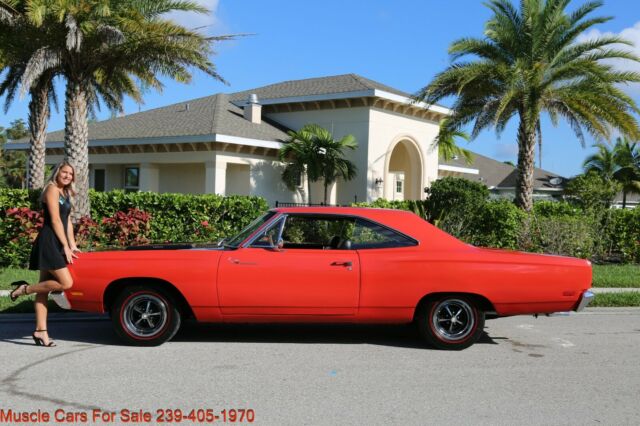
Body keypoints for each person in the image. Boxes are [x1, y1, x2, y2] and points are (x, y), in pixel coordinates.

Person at [9, 162, 80, 347]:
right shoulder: (52, 189)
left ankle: (41, 332)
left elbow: (68, 222)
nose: (67, 176)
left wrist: (72, 244)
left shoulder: (65, 193)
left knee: (44, 289)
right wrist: (64, 245)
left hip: (59, 241)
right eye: (64, 172)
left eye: (70, 174)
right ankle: (24, 289)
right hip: (49, 242)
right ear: (57, 173)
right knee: (66, 283)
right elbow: (55, 220)